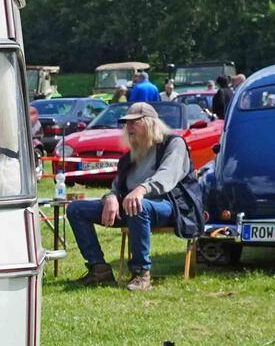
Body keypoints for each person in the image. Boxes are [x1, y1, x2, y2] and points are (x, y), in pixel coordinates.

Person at [66, 102, 191, 292]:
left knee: (137, 205)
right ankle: (99, 269)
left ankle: (141, 274)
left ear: (150, 123)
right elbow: (117, 185)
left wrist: (141, 190)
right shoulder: (130, 155)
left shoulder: (173, 143)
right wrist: (111, 197)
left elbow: (167, 175)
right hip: (132, 205)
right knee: (76, 209)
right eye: (126, 123)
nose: (129, 127)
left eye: (134, 122)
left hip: (168, 204)